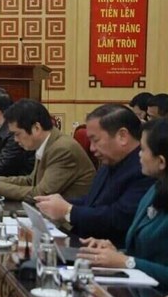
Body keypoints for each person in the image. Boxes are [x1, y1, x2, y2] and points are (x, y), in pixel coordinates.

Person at [34, 105, 154, 247]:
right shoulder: (110, 160)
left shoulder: (145, 169)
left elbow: (120, 217)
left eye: (95, 140)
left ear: (122, 136)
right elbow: (94, 201)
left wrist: (68, 211)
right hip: (87, 244)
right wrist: (59, 203)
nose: (91, 148)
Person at [76, 118, 168, 290]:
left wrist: (126, 261)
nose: (138, 155)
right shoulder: (155, 189)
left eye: (143, 150)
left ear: (161, 161)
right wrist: (116, 252)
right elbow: (142, 251)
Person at [0, 99, 96, 202]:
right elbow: (30, 180)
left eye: (17, 134)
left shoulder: (62, 149)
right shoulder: (48, 143)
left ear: (36, 128)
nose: (15, 140)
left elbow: (40, 194)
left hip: (68, 226)